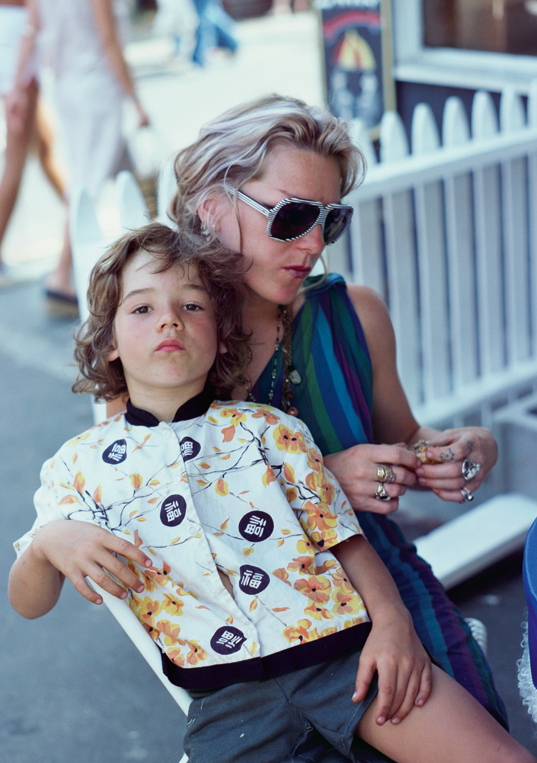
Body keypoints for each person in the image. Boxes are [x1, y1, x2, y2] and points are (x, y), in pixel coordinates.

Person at [8, 222, 536, 763]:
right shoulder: (78, 465)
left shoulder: (269, 430)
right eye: (142, 309)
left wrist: (394, 627)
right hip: (228, 705)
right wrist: (50, 541)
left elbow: (343, 539)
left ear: (218, 333)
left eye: (191, 306)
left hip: (345, 658)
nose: (169, 317)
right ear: (111, 342)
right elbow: (28, 603)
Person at [160, 93, 509, 728]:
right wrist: (322, 479)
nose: (315, 244)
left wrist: (461, 447)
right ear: (212, 208)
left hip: (390, 577)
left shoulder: (355, 315)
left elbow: (403, 435)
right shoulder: (171, 342)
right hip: (260, 615)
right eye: (292, 216)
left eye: (331, 220)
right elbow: (151, 512)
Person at [6, 0, 149, 313]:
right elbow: (109, 40)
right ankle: (61, 277)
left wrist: (17, 85)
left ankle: (156, 253)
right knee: (88, 182)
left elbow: (31, 29)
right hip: (97, 87)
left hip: (67, 87)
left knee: (129, 174)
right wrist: (134, 98)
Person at [0, 0, 65, 286]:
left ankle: (78, 213)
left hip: (17, 48)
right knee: (15, 161)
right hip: (18, 52)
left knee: (44, 145)